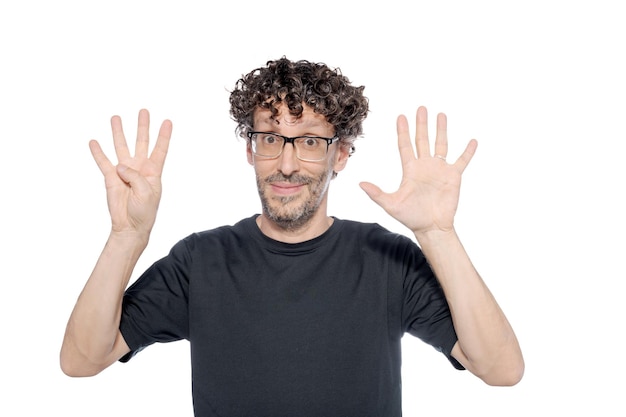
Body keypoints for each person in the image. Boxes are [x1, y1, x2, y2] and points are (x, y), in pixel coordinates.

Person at [60, 57, 524, 416]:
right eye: (270, 138)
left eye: (308, 141)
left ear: (340, 154)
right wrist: (127, 235)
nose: (285, 164)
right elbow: (82, 360)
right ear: (250, 149)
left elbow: (501, 369)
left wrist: (437, 233)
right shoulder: (201, 260)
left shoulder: (386, 259)